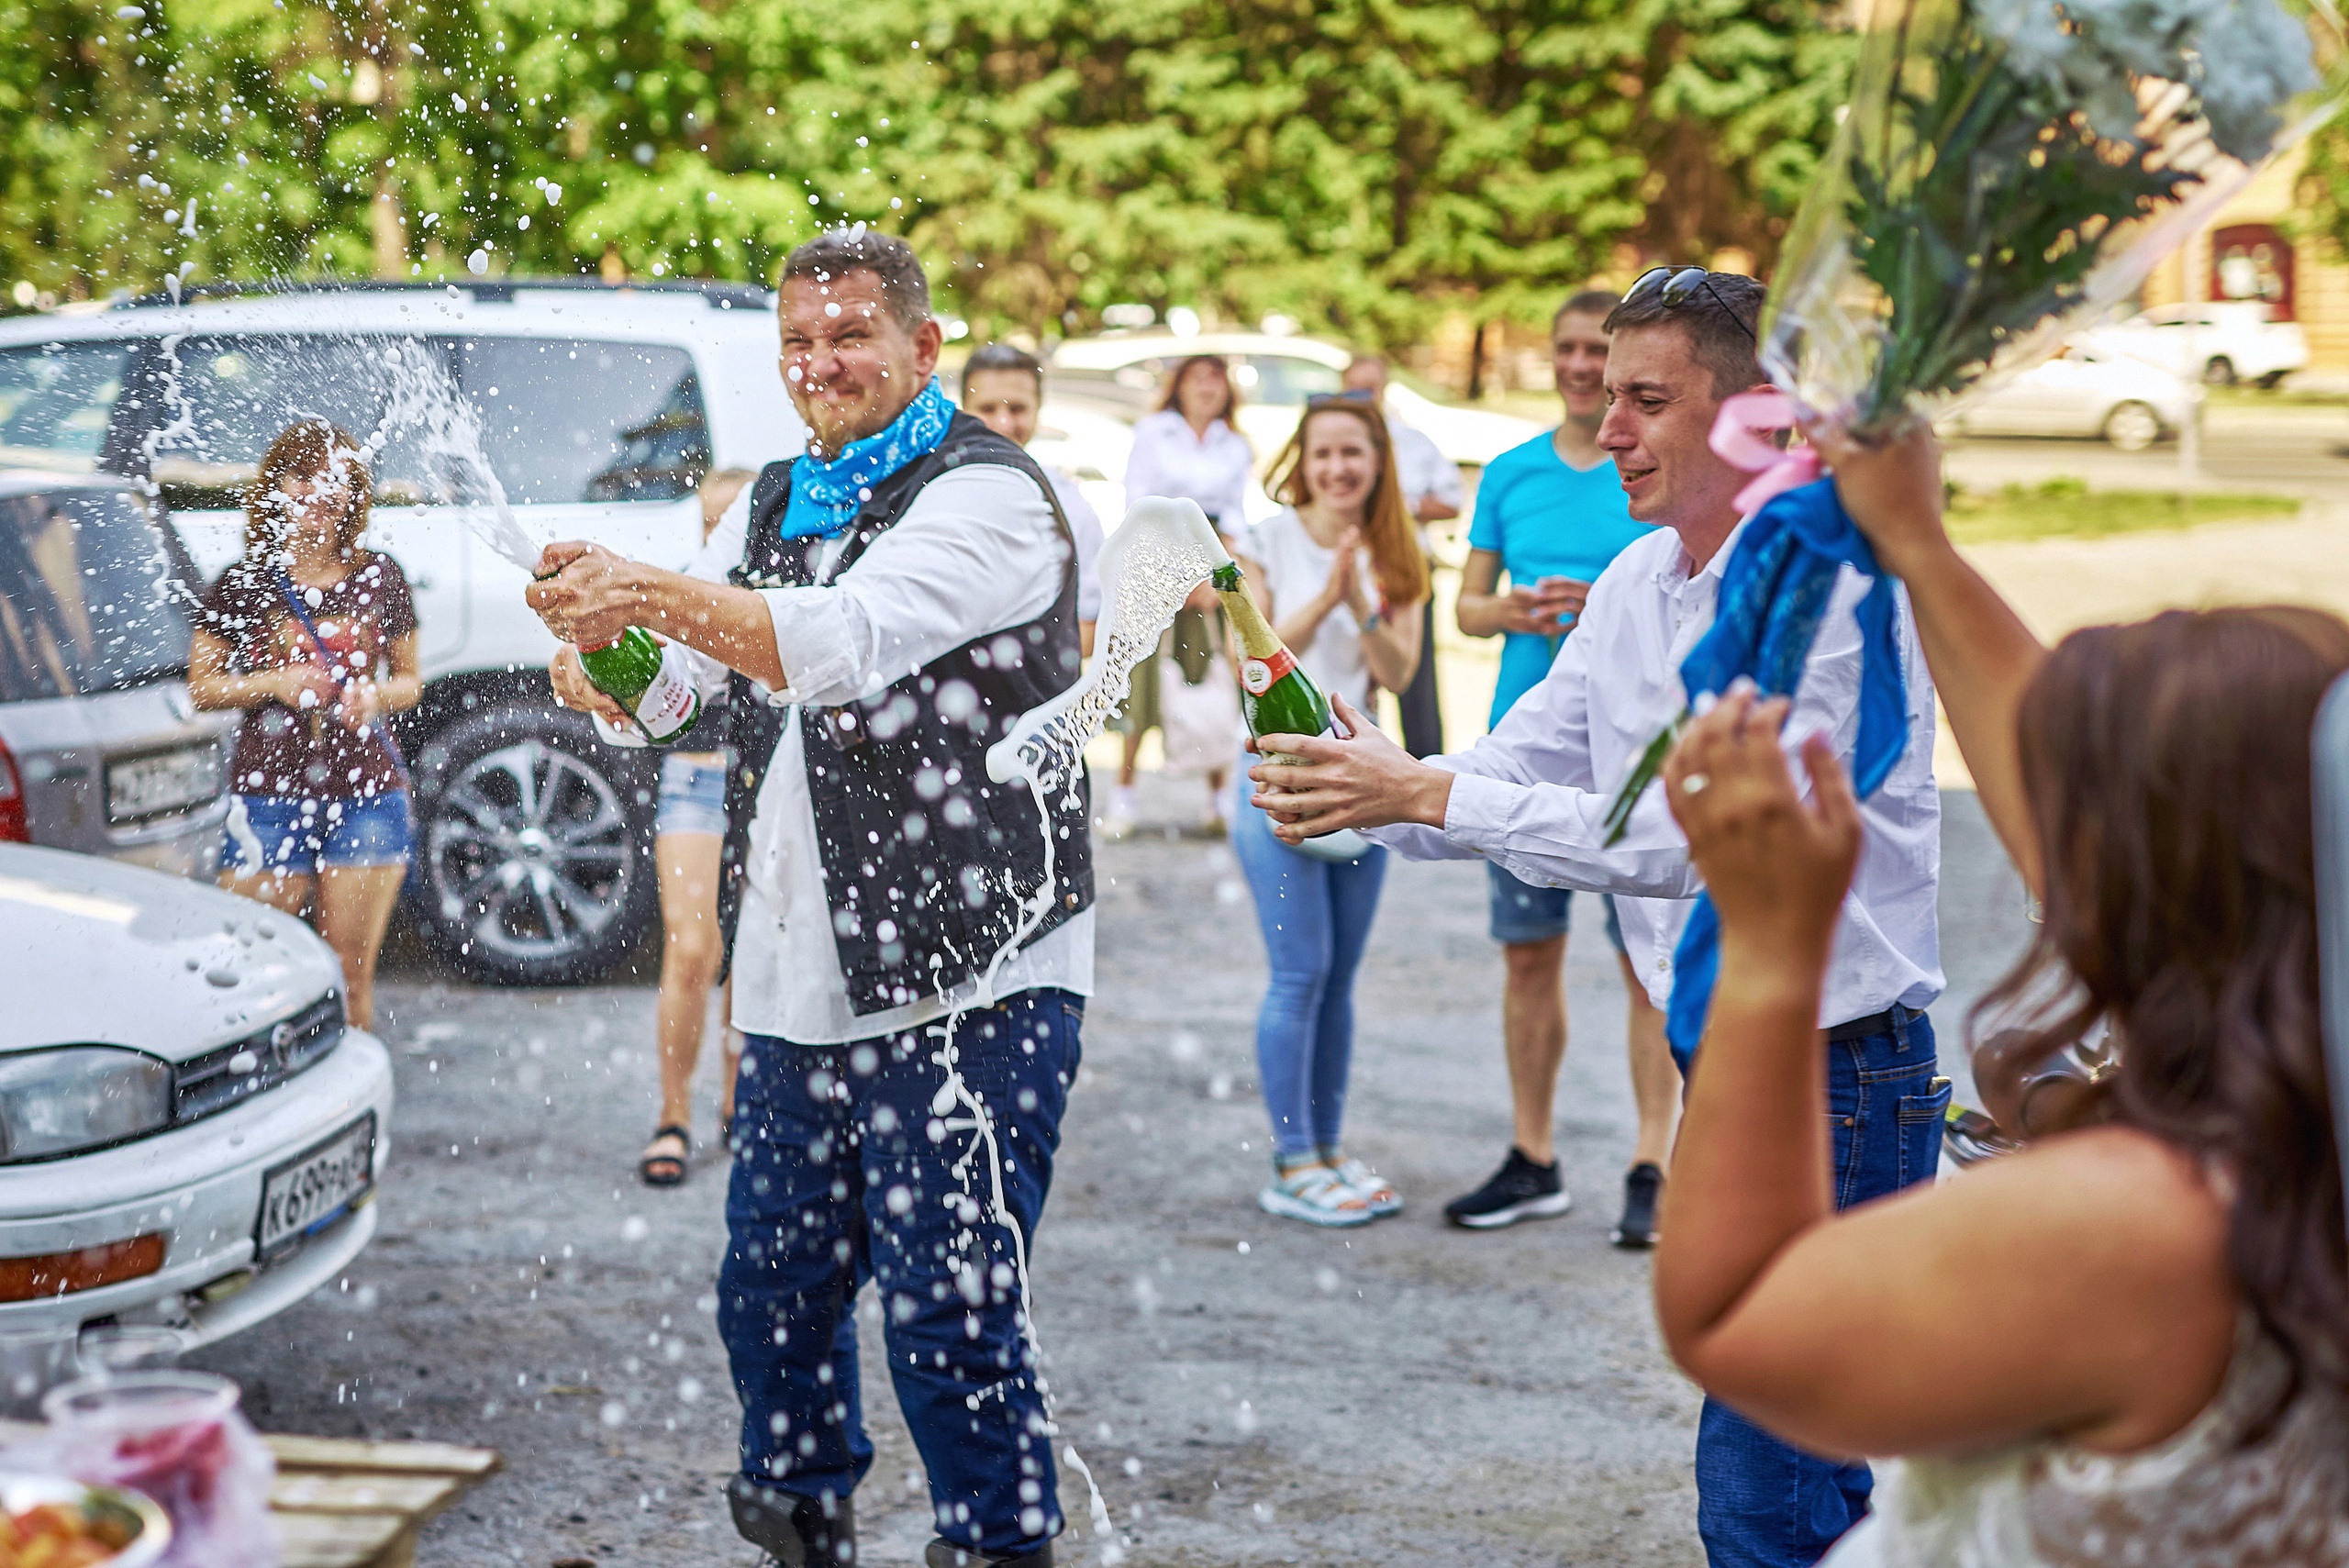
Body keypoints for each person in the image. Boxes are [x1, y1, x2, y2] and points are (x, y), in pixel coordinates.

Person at [1241, 270, 1943, 1568]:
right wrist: (1355, 777)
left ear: (1748, 416)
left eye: (1646, 400)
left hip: (1836, 1073)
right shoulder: (1636, 577)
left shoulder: (1829, 595)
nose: (1603, 427)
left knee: (1771, 1492)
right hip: (1727, 1064)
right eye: (1605, 393)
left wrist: (1425, 789)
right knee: (1803, 1471)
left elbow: (1704, 850)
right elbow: (1518, 769)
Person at [1656, 417, 2349, 1568]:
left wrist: (1773, 951)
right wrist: (1919, 547)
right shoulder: (2307, 1117)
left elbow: (1736, 1318)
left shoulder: (2152, 1223)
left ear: (2162, 879)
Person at [526, 229, 1089, 1568]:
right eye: (798, 344)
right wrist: (606, 661)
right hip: (796, 980)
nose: (819, 365)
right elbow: (694, 700)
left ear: (922, 346)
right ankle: (800, 1526)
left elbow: (835, 645)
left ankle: (998, 1546)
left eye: (848, 338)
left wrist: (648, 589)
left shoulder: (994, 495)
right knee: (769, 1302)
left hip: (974, 979)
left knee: (952, 1323)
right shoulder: (775, 494)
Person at [1442, 290, 1679, 1247]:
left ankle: (1652, 1162)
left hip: (1635, 755)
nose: (1583, 368)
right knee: (1528, 956)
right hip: (1524, 744)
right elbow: (1465, 606)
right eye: (1571, 351)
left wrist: (1607, 606)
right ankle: (1532, 1154)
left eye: (1600, 353)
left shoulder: (1655, 473)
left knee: (1646, 965)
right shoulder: (1509, 472)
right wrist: (1522, 611)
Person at [1231, 396, 1429, 1226]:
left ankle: (1328, 1148)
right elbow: (1257, 661)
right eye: (1323, 454)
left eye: (1354, 452)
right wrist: (1326, 597)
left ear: (1377, 460)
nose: (1338, 468)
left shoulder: (1399, 549)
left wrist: (1361, 600)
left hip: (1363, 786)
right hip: (1281, 782)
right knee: (1299, 974)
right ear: (1302, 462)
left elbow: (1402, 666)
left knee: (1339, 980)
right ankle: (1291, 1161)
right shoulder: (1267, 540)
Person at [189, 418, 421, 1033]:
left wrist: (372, 696)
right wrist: (275, 683)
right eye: (302, 476)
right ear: (277, 487)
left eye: (334, 478)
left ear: (352, 491)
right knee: (259, 971)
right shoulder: (244, 581)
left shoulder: (380, 575)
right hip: (267, 795)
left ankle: (350, 1112)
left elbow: (410, 681)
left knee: (350, 973)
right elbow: (202, 686)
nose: (319, 491)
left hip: (366, 794)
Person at [637, 466, 757, 1187]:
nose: (720, 534)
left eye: (732, 520)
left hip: (766, 773)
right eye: (710, 522)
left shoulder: (782, 589)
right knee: (692, 946)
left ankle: (740, 1101)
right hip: (697, 768)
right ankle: (673, 1114)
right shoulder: (686, 587)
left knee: (752, 952)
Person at [1111, 354, 1252, 837]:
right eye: (1198, 379)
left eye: (1216, 380)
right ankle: (1124, 796)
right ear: (1181, 385)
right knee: (1146, 680)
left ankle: (1218, 800)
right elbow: (1139, 503)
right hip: (1158, 554)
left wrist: (1217, 574)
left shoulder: (1234, 444)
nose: (1207, 389)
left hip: (1212, 558)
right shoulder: (1155, 432)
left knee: (1209, 670)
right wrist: (1177, 574)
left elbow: (1234, 513)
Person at [1341, 353, 1462, 760]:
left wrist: (1395, 506)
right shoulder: (1339, 445)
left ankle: (1423, 768)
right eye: (1354, 389)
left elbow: (1451, 501)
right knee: (1353, 671)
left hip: (1399, 563)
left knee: (1415, 681)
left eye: (1370, 389)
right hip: (1349, 564)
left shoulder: (1412, 441)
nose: (1364, 398)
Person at [960, 343, 1107, 657]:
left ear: (1037, 412)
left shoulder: (1070, 507)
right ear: (963, 410)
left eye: (1017, 408)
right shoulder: (930, 493)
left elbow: (1090, 627)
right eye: (987, 408)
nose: (1003, 423)